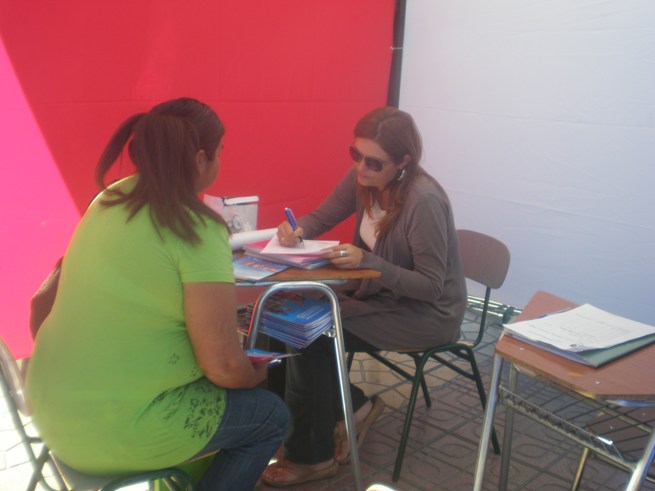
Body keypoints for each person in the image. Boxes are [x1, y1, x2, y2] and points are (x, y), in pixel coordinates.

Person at [26, 98, 289, 491]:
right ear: (200, 158)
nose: (220, 161)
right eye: (220, 152)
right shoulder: (197, 228)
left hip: (48, 412)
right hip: (111, 433)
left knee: (207, 398)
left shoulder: (110, 199)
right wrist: (252, 375)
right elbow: (222, 366)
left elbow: (38, 308)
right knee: (270, 416)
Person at [262, 107, 467, 487]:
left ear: (403, 161)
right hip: (379, 297)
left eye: (373, 162)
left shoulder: (423, 201)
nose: (361, 167)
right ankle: (337, 415)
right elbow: (322, 216)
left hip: (425, 314)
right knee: (279, 319)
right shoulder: (364, 178)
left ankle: (314, 457)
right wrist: (296, 229)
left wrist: (371, 263)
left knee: (309, 332)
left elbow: (431, 287)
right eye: (354, 154)